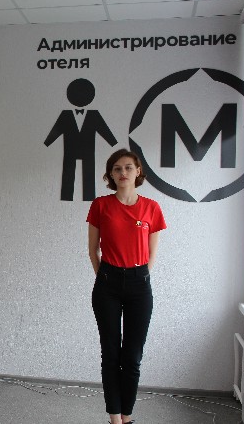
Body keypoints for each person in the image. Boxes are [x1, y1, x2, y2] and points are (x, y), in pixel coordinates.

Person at [86, 148, 166, 424]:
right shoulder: (100, 205)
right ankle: (114, 418)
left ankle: (127, 416)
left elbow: (152, 253)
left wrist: (137, 277)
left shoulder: (152, 208)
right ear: (110, 174)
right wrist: (105, 276)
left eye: (128, 167)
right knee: (110, 353)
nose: (123, 173)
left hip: (139, 285)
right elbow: (93, 250)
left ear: (138, 171)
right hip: (107, 284)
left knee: (132, 357)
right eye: (117, 168)